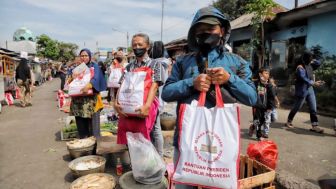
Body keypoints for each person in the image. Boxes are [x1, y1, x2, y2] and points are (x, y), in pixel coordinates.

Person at [161, 6, 257, 189]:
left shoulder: (237, 62)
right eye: (200, 29)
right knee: (184, 184)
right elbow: (166, 92)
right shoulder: (182, 61)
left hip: (222, 144)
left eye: (211, 28)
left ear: (222, 31)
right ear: (194, 33)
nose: (205, 33)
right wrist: (191, 83)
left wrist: (230, 78)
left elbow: (252, 98)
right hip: (186, 141)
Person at [114, 33, 164, 146]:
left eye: (140, 44)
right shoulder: (129, 67)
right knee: (132, 132)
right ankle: (136, 159)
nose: (137, 47)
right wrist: (116, 103)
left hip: (148, 105)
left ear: (147, 46)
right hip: (131, 105)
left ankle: (158, 161)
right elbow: (122, 85)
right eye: (134, 45)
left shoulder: (155, 64)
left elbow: (155, 85)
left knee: (154, 132)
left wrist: (147, 106)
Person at [70, 48, 107, 139]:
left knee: (93, 125)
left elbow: (96, 79)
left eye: (86, 55)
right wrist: (72, 78)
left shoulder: (94, 67)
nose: (83, 57)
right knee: (81, 123)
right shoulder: (77, 68)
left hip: (91, 101)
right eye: (82, 56)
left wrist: (89, 85)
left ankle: (96, 144)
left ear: (90, 56)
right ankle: (84, 142)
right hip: (78, 101)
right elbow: (70, 82)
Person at [285, 50, 324, 133]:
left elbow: (319, 63)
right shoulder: (300, 67)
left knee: (313, 108)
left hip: (310, 89)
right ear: (305, 58)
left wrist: (314, 60)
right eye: (310, 57)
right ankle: (289, 120)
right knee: (297, 107)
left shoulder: (310, 65)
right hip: (302, 89)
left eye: (312, 57)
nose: (311, 59)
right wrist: (313, 83)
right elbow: (303, 78)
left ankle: (315, 126)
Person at [148, 40, 170, 157]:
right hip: (161, 96)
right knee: (156, 128)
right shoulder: (166, 62)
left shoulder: (155, 64)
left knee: (155, 129)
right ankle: (158, 155)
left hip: (155, 98)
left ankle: (159, 156)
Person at [248, 67, 275, 140]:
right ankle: (258, 135)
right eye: (265, 73)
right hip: (256, 106)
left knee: (263, 120)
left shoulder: (269, 85)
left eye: (268, 73)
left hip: (265, 107)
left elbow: (271, 97)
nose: (267, 75)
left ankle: (252, 126)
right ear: (260, 74)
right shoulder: (255, 83)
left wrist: (270, 107)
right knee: (257, 120)